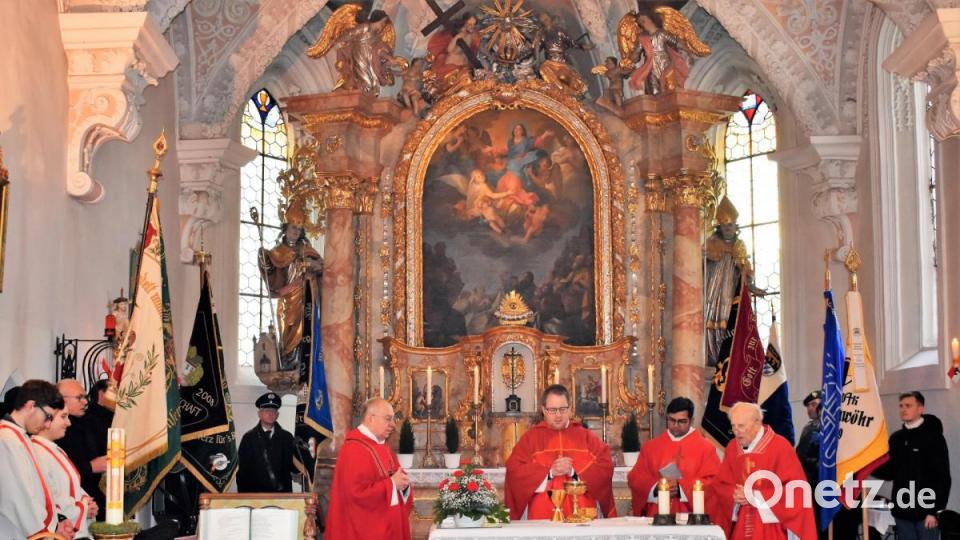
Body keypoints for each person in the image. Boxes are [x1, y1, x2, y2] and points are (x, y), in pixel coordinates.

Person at [504, 384, 615, 520]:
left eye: (563, 409)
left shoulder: (587, 438)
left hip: (582, 514)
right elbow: (514, 471)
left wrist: (574, 472)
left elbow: (605, 468)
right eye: (552, 410)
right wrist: (549, 472)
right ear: (543, 410)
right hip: (542, 514)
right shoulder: (530, 439)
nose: (558, 415)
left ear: (570, 409)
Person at [711, 402, 816, 539]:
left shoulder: (780, 447)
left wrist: (755, 496)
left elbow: (797, 491)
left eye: (741, 426)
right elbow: (721, 484)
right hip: (741, 525)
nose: (736, 431)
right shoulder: (732, 448)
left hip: (772, 528)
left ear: (757, 423)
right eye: (733, 426)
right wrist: (735, 495)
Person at [325, 398, 412, 539]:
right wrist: (392, 484)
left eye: (393, 419)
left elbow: (397, 478)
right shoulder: (354, 448)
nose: (393, 424)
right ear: (371, 418)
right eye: (388, 419)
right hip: (361, 530)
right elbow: (355, 495)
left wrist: (403, 485)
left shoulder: (382, 447)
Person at [874, 391, 951, 540]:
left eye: (908, 405)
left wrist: (934, 511)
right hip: (902, 511)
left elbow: (942, 478)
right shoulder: (896, 438)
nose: (903, 409)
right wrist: (870, 464)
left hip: (926, 512)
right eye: (901, 406)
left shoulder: (933, 438)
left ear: (920, 409)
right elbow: (890, 472)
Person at [627, 397, 720, 517]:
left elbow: (714, 482)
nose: (675, 425)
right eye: (671, 420)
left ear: (691, 420)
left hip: (690, 517)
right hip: (657, 514)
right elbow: (635, 478)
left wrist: (681, 487)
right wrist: (656, 487)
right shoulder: (651, 447)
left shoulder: (706, 448)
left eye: (681, 421)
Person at [258, 207, 323, 372]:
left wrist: (310, 265)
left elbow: (322, 266)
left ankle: (301, 361)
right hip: (287, 297)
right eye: (294, 227)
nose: (296, 231)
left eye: (299, 228)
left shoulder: (306, 250)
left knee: (305, 327)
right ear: (286, 227)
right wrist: (263, 258)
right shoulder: (277, 252)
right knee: (287, 329)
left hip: (306, 297)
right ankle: (288, 360)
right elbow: (272, 275)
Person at [0, 379, 67, 538]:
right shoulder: (6, 439)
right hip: (15, 531)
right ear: (30, 405)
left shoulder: (20, 437)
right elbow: (17, 497)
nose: (48, 425)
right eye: (48, 417)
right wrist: (41, 534)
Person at [704, 196, 765, 367]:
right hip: (714, 291)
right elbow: (700, 267)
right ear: (719, 227)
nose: (728, 229)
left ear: (735, 226)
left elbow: (746, 270)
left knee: (731, 320)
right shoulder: (711, 243)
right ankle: (713, 355)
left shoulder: (740, 245)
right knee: (713, 321)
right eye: (725, 226)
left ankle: (731, 357)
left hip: (731, 291)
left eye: (730, 225)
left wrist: (751, 285)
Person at [33, 403, 96, 539]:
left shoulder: (53, 449)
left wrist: (87, 501)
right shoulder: (37, 452)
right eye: (63, 417)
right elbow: (49, 498)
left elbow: (72, 486)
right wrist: (84, 507)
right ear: (46, 418)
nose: (69, 423)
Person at [56, 379, 108, 522]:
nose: (85, 402)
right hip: (72, 505)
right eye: (79, 397)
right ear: (62, 400)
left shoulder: (88, 421)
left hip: (93, 498)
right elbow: (58, 472)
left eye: (85, 397)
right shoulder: (56, 431)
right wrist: (90, 467)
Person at [237, 392, 296, 492]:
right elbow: (243, 471)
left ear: (277, 415)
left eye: (273, 411)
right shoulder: (249, 438)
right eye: (267, 410)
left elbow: (292, 467)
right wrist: (245, 497)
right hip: (255, 495)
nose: (270, 414)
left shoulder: (287, 437)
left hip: (282, 496)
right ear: (259, 414)